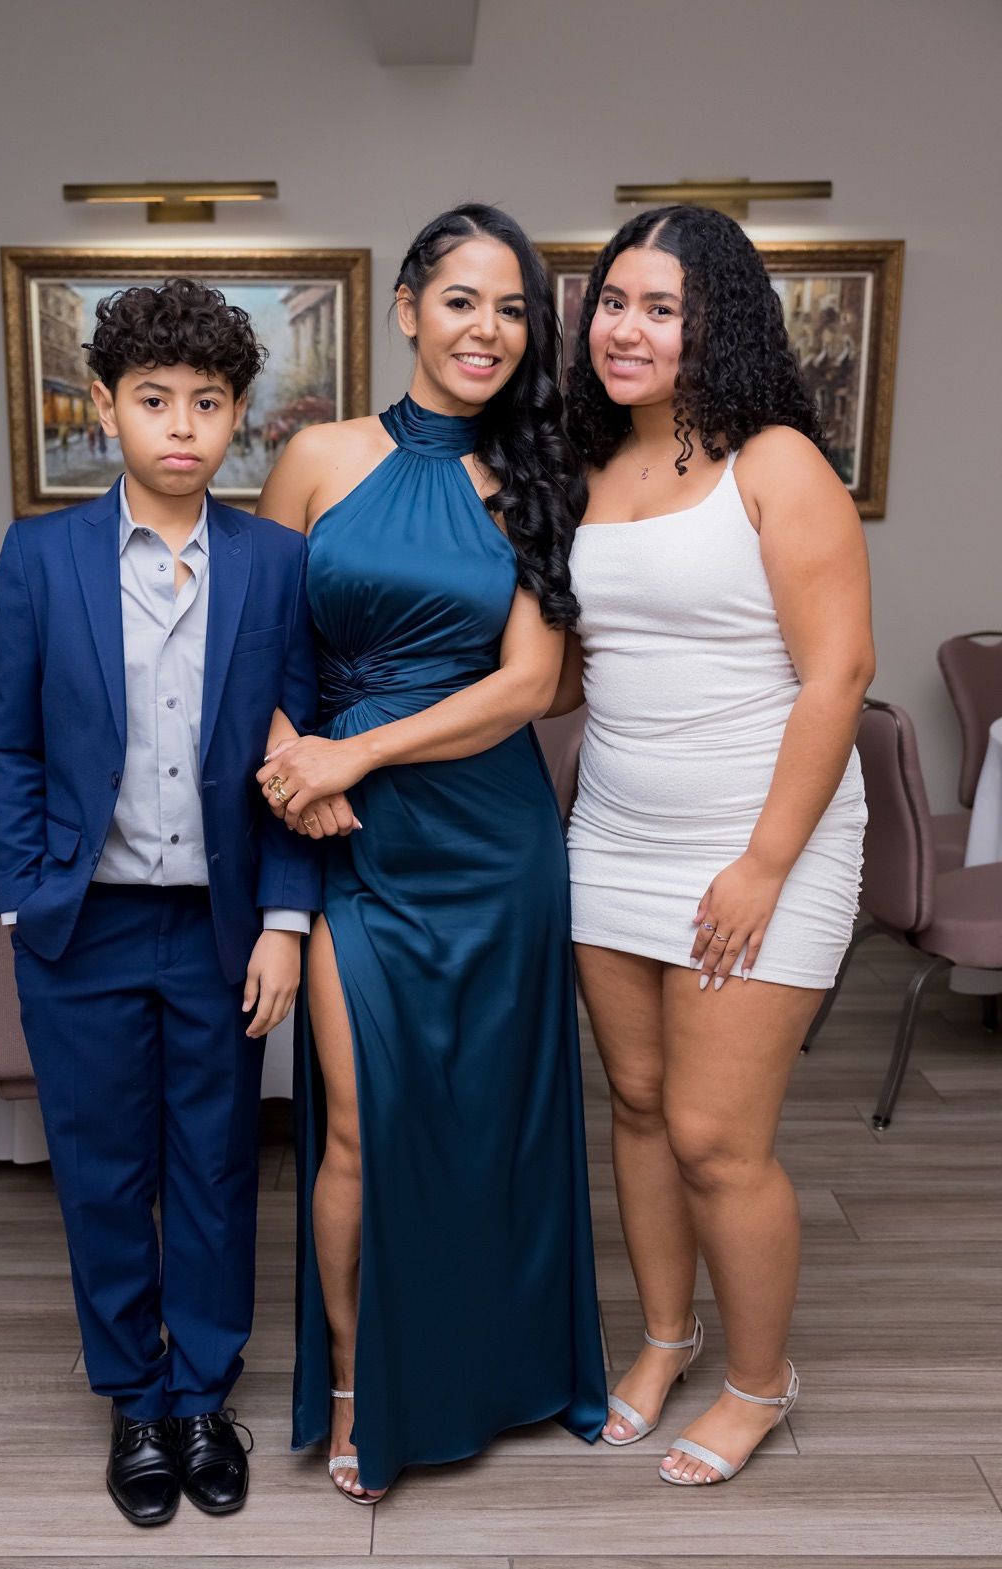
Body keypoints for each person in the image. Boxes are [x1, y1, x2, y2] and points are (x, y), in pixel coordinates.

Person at [255, 203, 608, 1502]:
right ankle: (359, 1383)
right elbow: (256, 648)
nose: (488, 330)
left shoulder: (538, 478)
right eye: (463, 300)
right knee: (362, 1122)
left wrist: (359, 752)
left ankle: (499, 1366)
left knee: (492, 1124)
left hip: (491, 838)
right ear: (406, 308)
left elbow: (529, 683)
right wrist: (299, 760)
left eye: (515, 309)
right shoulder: (317, 457)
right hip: (350, 839)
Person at [0, 279, 323, 1526]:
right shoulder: (42, 554)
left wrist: (286, 921)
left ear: (240, 418)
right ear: (109, 408)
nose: (183, 425)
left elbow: (299, 759)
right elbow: (10, 743)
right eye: (155, 400)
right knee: (104, 1171)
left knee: (220, 1163)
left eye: (210, 402)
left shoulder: (278, 566)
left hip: (222, 927)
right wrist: (21, 894)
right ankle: (133, 1396)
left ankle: (201, 1393)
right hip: (83, 923)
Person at [553, 205, 873, 1485]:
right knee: (633, 1106)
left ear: (717, 322)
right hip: (613, 832)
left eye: (661, 307)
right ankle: (665, 1337)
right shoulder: (588, 462)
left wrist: (762, 862)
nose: (626, 329)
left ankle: (759, 1380)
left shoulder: (777, 462)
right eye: (613, 302)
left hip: (762, 845)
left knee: (712, 1136)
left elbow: (838, 674)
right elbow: (584, 674)